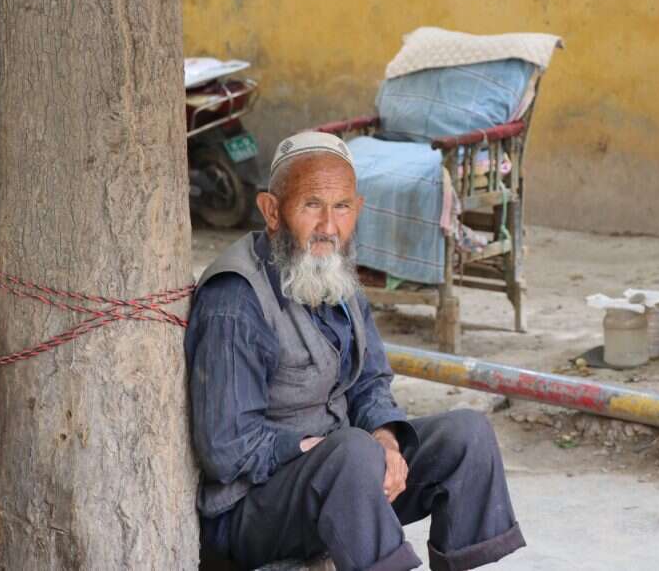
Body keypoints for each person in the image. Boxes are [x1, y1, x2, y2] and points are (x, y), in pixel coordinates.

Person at [185, 132, 525, 570]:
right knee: (352, 454)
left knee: (467, 435)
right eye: (311, 205)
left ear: (357, 210)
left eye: (342, 207)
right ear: (271, 211)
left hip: (342, 482)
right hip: (251, 513)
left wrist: (385, 440)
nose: (329, 226)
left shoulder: (332, 271)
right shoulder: (236, 299)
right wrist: (327, 449)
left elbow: (371, 382)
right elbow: (226, 448)